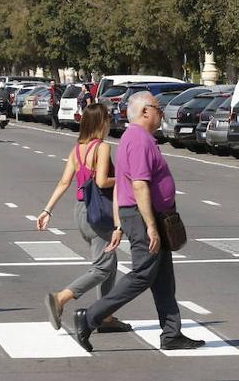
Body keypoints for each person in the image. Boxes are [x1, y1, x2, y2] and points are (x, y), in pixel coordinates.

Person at [71, 91, 204, 352]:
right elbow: (139, 185)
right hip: (144, 216)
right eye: (158, 108)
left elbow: (121, 185)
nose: (161, 112)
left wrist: (119, 224)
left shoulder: (134, 138)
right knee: (142, 274)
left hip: (144, 215)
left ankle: (171, 333)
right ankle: (90, 318)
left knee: (163, 278)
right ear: (145, 111)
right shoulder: (139, 139)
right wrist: (151, 226)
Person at [35, 103, 130, 334]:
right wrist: (125, 179)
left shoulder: (77, 149)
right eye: (107, 119)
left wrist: (47, 210)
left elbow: (64, 182)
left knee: (109, 263)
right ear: (101, 122)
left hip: (81, 210)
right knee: (102, 267)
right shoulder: (102, 147)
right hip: (99, 211)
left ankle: (106, 316)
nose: (109, 123)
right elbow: (102, 182)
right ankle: (60, 298)